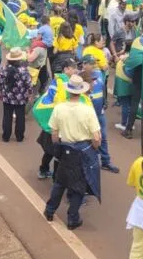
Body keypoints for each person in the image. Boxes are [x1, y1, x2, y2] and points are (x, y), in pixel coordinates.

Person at [43, 74, 102, 231]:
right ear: (81, 92)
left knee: (60, 183)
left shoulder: (59, 108)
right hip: (82, 150)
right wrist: (95, 147)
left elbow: (54, 133)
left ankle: (50, 210)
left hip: (65, 148)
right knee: (78, 187)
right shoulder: (88, 110)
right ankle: (72, 218)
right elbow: (96, 137)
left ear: (69, 91)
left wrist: (58, 148)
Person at [0, 48, 33, 142]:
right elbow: (29, 84)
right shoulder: (24, 70)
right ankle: (19, 136)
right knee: (20, 117)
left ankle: (6, 136)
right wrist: (29, 94)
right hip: (21, 98)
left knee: (7, 116)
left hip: (7, 97)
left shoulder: (4, 69)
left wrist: (0, 91)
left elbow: (0, 82)